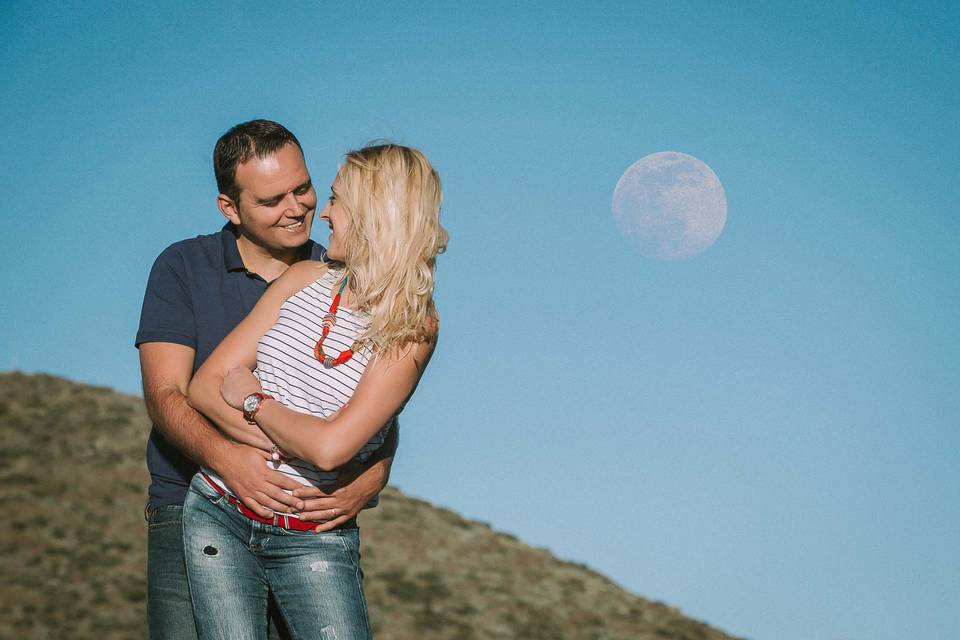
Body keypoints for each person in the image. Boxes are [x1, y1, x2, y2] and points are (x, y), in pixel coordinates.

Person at [135, 120, 397, 640]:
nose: (297, 208)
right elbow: (165, 396)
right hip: (191, 506)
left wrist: (372, 477)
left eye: (303, 188)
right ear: (230, 208)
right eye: (273, 199)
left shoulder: (342, 273)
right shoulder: (183, 267)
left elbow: (378, 406)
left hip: (305, 522)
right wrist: (230, 460)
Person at [183, 143, 447, 640]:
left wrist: (255, 402)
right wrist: (289, 437)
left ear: (375, 213)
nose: (323, 212)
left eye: (336, 199)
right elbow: (204, 386)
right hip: (219, 512)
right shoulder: (303, 279)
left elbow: (331, 449)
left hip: (315, 539)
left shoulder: (414, 327)